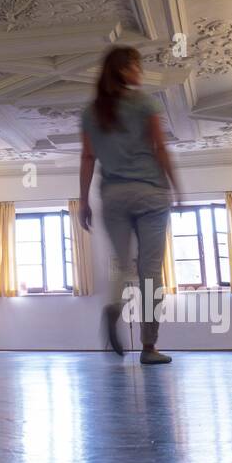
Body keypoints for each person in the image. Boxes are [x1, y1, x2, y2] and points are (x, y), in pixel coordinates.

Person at [78, 46, 179, 365]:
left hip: (113, 196)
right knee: (151, 272)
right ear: (123, 70)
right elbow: (160, 148)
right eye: (137, 65)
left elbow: (87, 157)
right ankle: (149, 347)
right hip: (150, 193)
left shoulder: (90, 112)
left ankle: (114, 308)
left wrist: (83, 201)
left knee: (123, 266)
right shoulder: (144, 102)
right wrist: (177, 186)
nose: (141, 71)